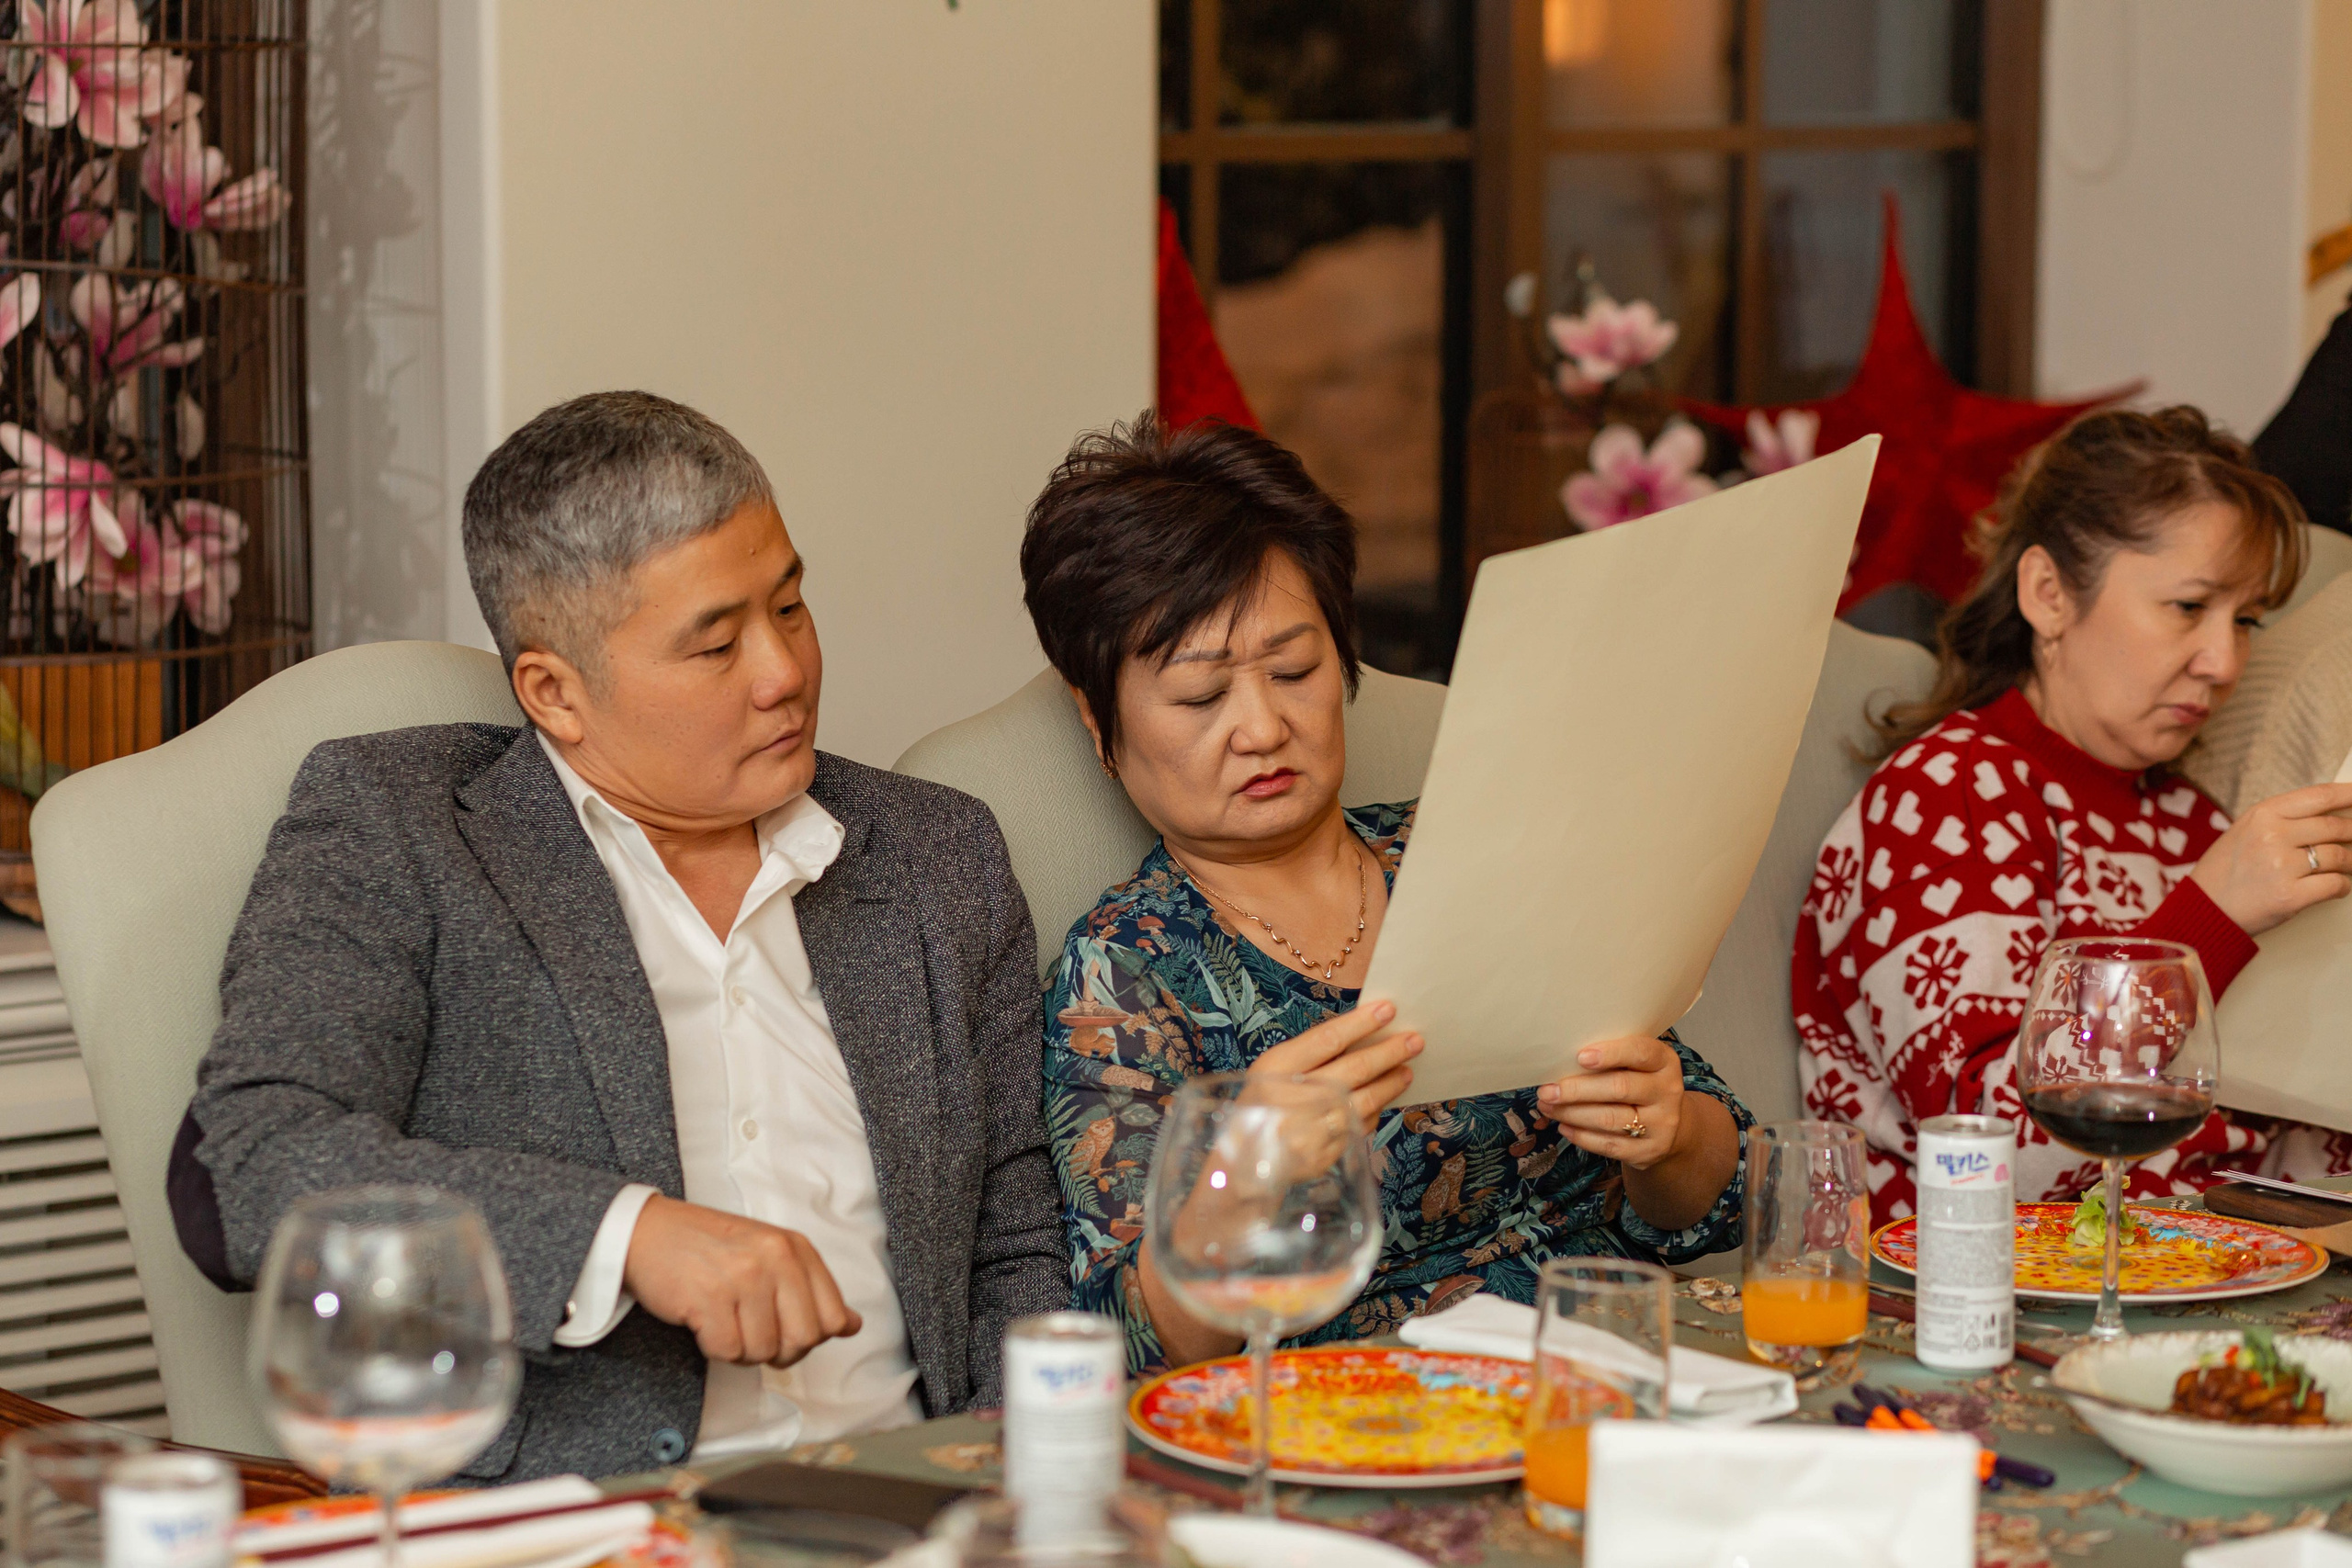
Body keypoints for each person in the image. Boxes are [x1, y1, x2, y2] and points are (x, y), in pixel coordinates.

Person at [169, 392, 1066, 1480]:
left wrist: (1023, 1481)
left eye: (788, 606)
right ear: (555, 691)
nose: (783, 671)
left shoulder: (934, 855)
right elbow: (255, 1160)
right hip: (580, 1520)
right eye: (715, 644)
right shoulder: (399, 828)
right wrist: (626, 1235)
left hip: (913, 1502)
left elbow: (1015, 1239)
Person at [1020, 414, 1749, 1375]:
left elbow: (1716, 1197)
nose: (1262, 727)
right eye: (1201, 697)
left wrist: (1666, 1135)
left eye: (1294, 670)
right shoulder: (1126, 971)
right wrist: (1242, 1183)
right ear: (1096, 716)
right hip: (1363, 1419)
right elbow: (1129, 1348)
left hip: (1619, 1375)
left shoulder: (1478, 851)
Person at [1794, 406, 2352, 1224]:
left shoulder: (2189, 821)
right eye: (2188, 607)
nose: (2225, 662)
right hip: (1976, 1286)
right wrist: (2212, 913)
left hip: (2207, 1271)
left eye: (2246, 620)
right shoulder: (1948, 793)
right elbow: (1992, 1149)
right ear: (2049, 593)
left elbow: (2256, 1139)